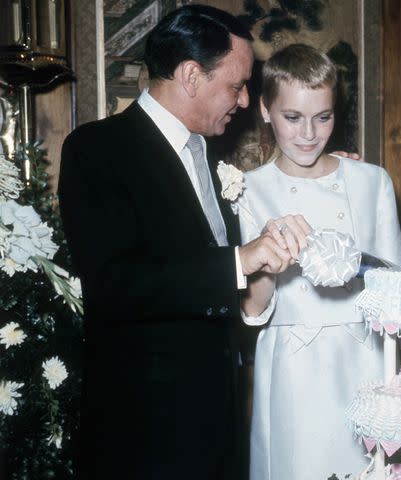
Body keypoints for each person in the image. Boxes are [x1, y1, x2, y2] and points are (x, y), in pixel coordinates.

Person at [57, 6, 296, 479]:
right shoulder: (98, 149)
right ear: (190, 75)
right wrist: (237, 262)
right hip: (145, 440)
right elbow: (114, 285)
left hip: (219, 429)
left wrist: (262, 265)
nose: (245, 100)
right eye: (235, 85)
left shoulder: (207, 153)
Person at [235, 43, 401, 480]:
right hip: (292, 366)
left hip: (364, 358)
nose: (309, 133)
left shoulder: (372, 181)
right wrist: (269, 263)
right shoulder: (248, 191)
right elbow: (254, 311)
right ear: (265, 110)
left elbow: (399, 291)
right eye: (293, 117)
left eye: (323, 117)